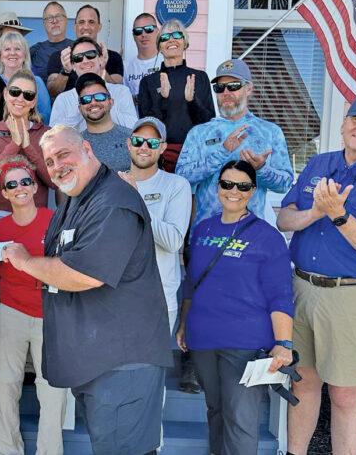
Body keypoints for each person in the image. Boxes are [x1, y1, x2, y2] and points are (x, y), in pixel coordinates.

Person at [1, 125, 172, 455]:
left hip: (123, 362)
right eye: (49, 161)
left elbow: (83, 274)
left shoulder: (113, 200)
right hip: (97, 358)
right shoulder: (79, 197)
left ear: (88, 150)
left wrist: (24, 261)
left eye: (64, 154)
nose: (57, 166)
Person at [276, 94, 356, 455]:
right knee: (302, 382)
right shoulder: (318, 163)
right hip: (300, 288)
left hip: (351, 295)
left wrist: (340, 216)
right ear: (343, 124)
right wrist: (314, 213)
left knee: (346, 392)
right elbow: (284, 217)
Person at [176, 159, 294, 455]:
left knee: (239, 419)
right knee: (215, 410)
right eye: (227, 184)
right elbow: (192, 282)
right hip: (203, 338)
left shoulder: (267, 237)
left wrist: (283, 343)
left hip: (246, 343)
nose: (234, 191)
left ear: (252, 191)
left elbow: (280, 294)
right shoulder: (202, 230)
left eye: (242, 186)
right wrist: (183, 323)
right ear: (218, 188)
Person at [0, 155, 67, 455]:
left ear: (34, 187)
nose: (20, 188)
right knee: (5, 385)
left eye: (25, 181)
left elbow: (67, 266)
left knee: (53, 389)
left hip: (50, 312)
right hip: (11, 311)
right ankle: (8, 451)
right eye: (12, 184)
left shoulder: (54, 220)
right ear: (4, 192)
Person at [176, 58, 293, 231]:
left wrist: (261, 169)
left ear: (248, 89)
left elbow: (285, 184)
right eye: (220, 88)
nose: (226, 92)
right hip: (206, 236)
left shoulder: (270, 132)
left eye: (234, 86)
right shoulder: (199, 133)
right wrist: (221, 153)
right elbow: (181, 178)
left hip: (250, 236)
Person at [118, 116, 191, 333]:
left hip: (157, 301)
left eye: (152, 143)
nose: (144, 148)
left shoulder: (176, 185)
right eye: (139, 141)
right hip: (115, 299)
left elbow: (172, 241)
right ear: (129, 143)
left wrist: (136, 198)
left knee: (149, 368)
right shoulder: (112, 183)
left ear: (162, 148)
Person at [0, 70, 53, 235]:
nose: (20, 99)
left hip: (34, 217)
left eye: (28, 95)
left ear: (33, 102)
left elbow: (53, 181)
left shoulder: (47, 134)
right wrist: (15, 144)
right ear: (5, 94)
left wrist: (27, 147)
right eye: (15, 92)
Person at [138, 19, 215, 172]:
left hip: (194, 155)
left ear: (185, 42)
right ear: (159, 46)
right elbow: (147, 125)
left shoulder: (199, 77)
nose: (171, 40)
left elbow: (208, 122)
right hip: (159, 156)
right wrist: (163, 98)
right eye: (165, 37)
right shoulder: (148, 81)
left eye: (177, 35)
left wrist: (192, 101)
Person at [49, 37, 137, 131]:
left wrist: (105, 105)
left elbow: (133, 127)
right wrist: (81, 105)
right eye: (78, 58)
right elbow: (54, 135)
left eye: (90, 55)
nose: (85, 61)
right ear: (73, 65)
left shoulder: (121, 91)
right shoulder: (63, 99)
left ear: (100, 59)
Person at [46, 4, 124, 97]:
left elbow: (119, 92)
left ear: (99, 27)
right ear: (75, 27)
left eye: (91, 22)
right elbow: (52, 92)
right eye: (81, 22)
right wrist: (65, 71)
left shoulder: (113, 57)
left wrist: (102, 69)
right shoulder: (60, 57)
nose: (86, 27)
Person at [75, 73, 131, 172]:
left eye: (99, 97)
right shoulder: (75, 144)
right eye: (86, 99)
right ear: (80, 108)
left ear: (111, 102)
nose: (93, 103)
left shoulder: (132, 138)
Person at [0, 30, 52, 123]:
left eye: (17, 49)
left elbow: (46, 116)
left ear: (25, 55)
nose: (12, 53)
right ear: (0, 55)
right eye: (7, 49)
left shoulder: (36, 82)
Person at [30, 1, 72, 83]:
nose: (54, 21)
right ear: (44, 23)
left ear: (66, 20)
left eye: (58, 16)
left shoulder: (77, 47)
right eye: (49, 18)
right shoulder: (35, 51)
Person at [123, 13, 162, 96]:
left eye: (149, 29)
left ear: (157, 31)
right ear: (133, 36)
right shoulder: (126, 66)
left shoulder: (167, 62)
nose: (143, 35)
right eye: (138, 31)